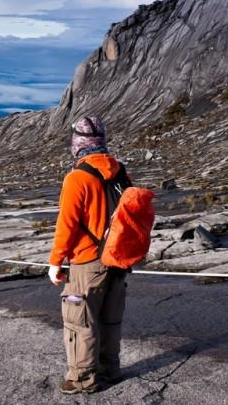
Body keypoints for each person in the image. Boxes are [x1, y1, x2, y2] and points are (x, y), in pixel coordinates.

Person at [48, 116, 132, 394]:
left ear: (77, 144)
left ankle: (82, 379)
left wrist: (55, 262)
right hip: (117, 261)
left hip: (87, 263)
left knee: (80, 321)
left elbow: (67, 225)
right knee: (110, 319)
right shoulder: (120, 173)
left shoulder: (77, 178)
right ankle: (111, 369)